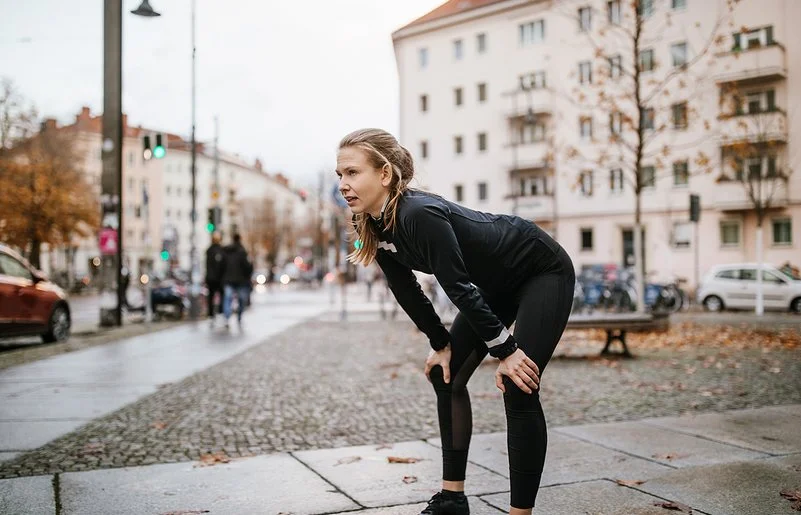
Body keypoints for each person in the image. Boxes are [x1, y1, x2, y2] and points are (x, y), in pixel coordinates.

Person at [336, 129, 575, 515]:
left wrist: (507, 351)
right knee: (444, 375)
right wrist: (440, 344)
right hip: (496, 285)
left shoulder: (419, 214)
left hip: (540, 269)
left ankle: (520, 513)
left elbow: (458, 286)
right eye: (339, 175)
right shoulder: (373, 224)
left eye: (352, 173)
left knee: (519, 384)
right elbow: (407, 290)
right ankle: (452, 498)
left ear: (384, 174)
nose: (344, 185)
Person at [221, 233, 253, 328]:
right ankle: (239, 317)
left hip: (228, 279)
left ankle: (227, 318)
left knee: (228, 299)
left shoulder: (226, 251)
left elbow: (222, 266)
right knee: (241, 300)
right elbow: (247, 267)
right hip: (241, 280)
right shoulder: (242, 251)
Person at [204, 232, 225, 326]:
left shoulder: (209, 250)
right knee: (220, 297)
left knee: (211, 297)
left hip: (211, 278)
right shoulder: (221, 250)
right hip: (218, 279)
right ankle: (219, 314)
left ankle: (211, 316)